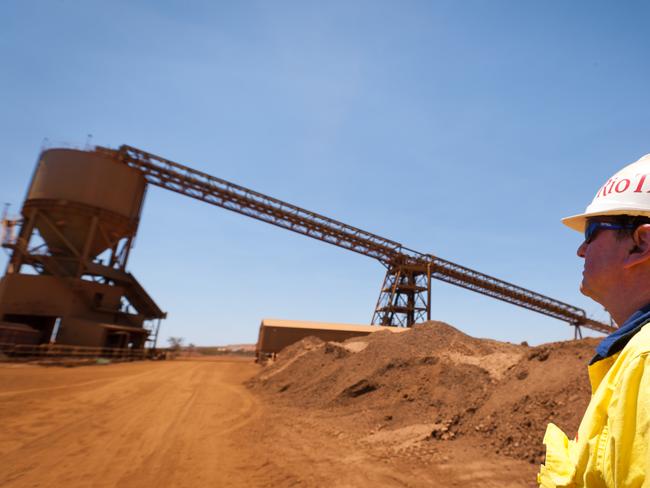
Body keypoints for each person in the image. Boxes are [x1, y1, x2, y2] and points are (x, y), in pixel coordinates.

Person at [538, 154, 650, 487]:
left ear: (640, 244)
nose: (581, 250)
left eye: (591, 232)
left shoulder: (645, 361)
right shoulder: (632, 359)